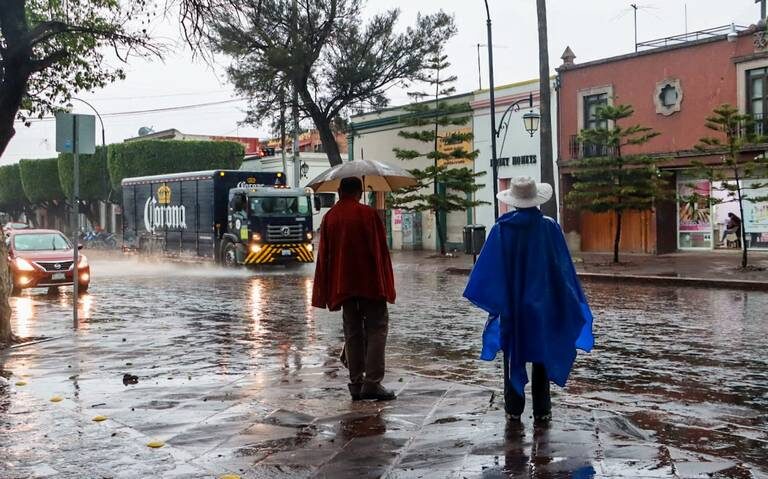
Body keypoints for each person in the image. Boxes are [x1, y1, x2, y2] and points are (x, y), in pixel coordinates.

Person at [463, 176, 594, 423]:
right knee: (542, 355)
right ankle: (542, 409)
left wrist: (500, 299)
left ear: (513, 202)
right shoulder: (549, 227)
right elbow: (562, 269)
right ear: (537, 200)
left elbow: (490, 271)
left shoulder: (502, 230)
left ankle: (513, 408)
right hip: (543, 306)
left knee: (513, 353)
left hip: (514, 307)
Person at [312, 176, 397, 401]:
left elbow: (325, 258)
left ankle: (356, 382)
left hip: (344, 285)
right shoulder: (368, 215)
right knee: (377, 330)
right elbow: (380, 253)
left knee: (353, 333)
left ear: (340, 191)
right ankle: (373, 382)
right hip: (370, 284)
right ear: (359, 192)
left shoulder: (330, 217)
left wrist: (327, 289)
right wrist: (385, 285)